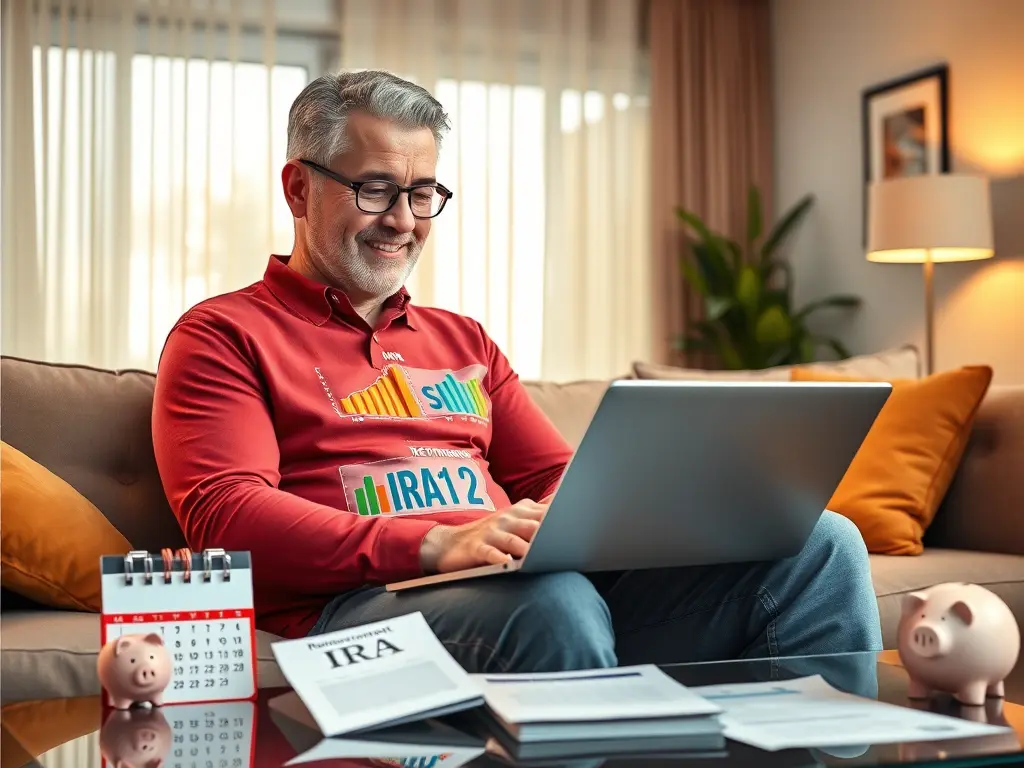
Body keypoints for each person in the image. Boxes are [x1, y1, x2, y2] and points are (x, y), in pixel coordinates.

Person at [152, 70, 882, 673]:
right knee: (556, 604)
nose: (403, 219)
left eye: (422, 193)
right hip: (360, 614)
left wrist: (616, 523)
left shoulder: (464, 340)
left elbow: (559, 478)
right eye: (375, 189)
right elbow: (228, 514)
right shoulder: (222, 334)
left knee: (823, 545)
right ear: (299, 189)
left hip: (528, 587)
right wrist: (436, 544)